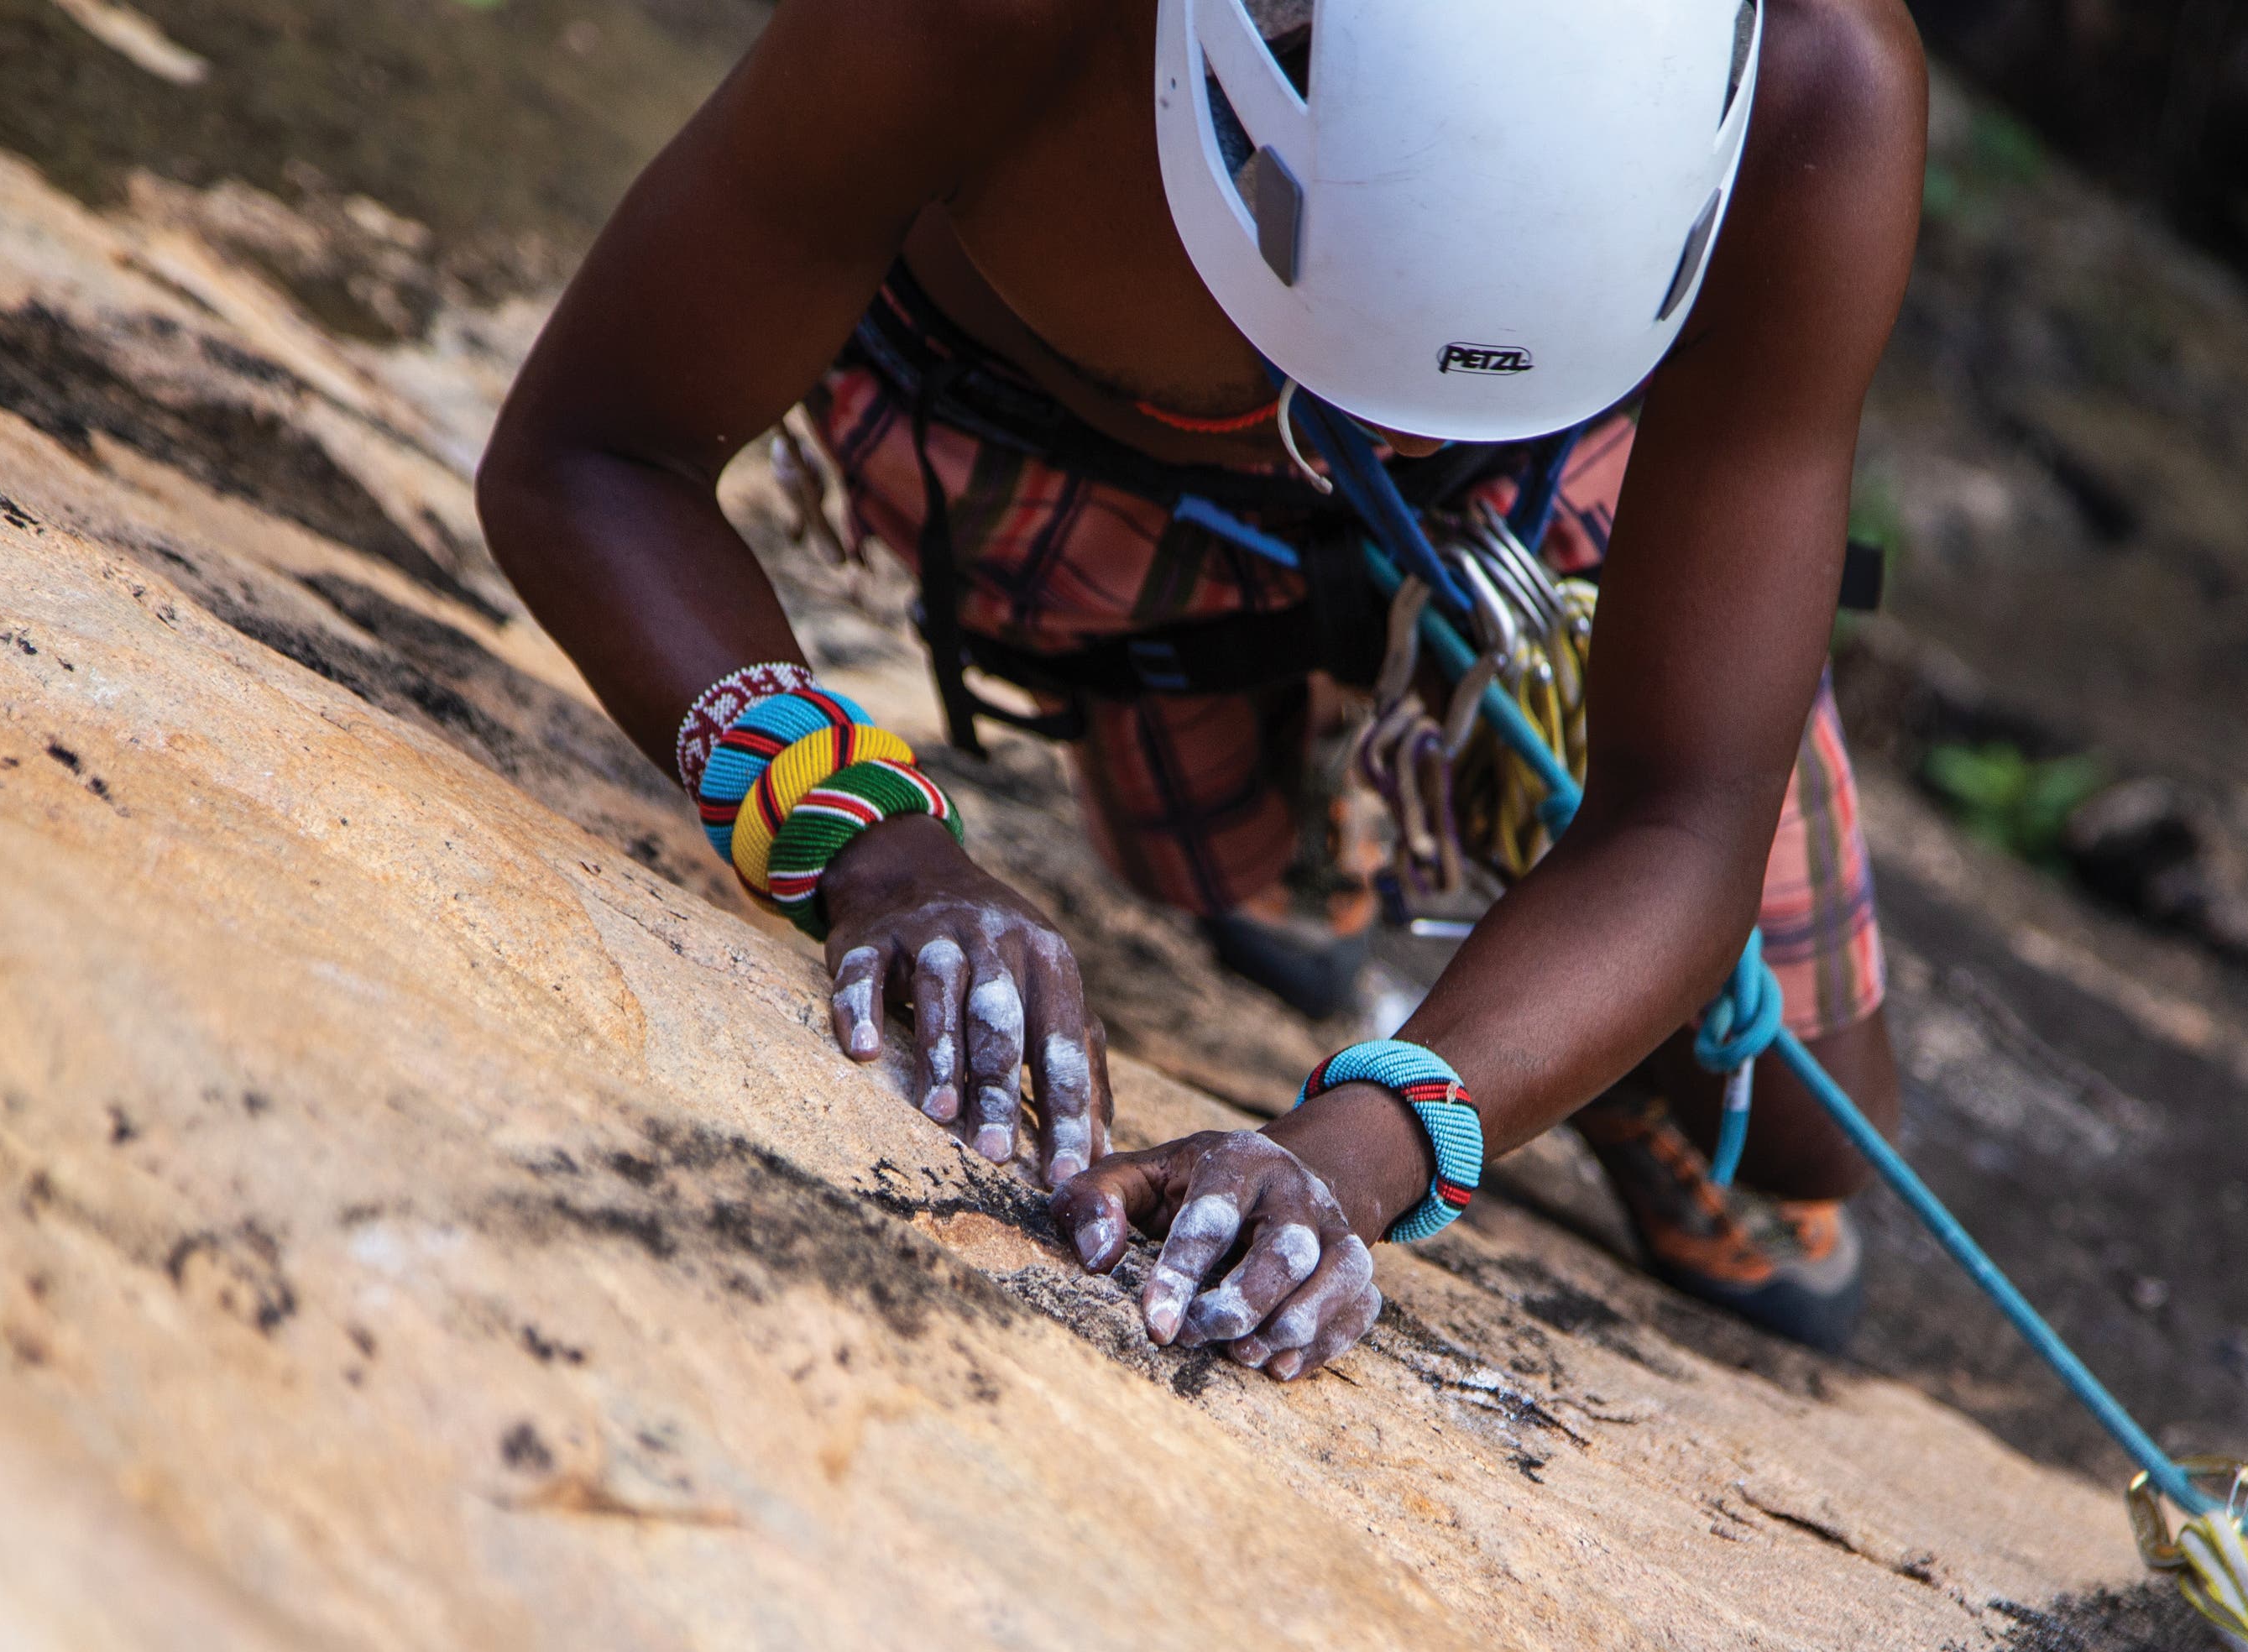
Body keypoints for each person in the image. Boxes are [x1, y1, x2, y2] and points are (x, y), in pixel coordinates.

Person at [478, 0, 1921, 1378]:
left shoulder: (1814, 87)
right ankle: (1292, 782)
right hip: (1054, 440)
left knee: (1805, 1130)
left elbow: (1687, 812)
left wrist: (1367, 1149)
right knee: (1214, 858)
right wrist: (876, 844)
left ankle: (1518, 961)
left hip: (1534, 503)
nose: (1388, 434)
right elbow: (597, 460)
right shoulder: (1007, 20)